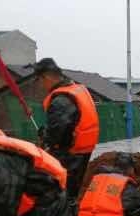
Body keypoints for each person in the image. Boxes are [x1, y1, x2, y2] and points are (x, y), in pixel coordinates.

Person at [35, 57, 99, 203]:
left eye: (39, 80)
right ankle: (69, 210)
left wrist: (45, 137)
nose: (40, 86)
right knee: (72, 190)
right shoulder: (77, 89)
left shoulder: (61, 99)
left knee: (62, 191)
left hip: (69, 153)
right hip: (82, 149)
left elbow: (58, 131)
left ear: (45, 77)